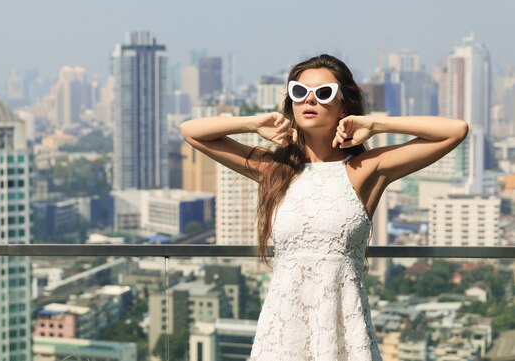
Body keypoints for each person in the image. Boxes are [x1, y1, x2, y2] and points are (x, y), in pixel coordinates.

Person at [180, 54, 468, 360]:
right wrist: (252, 123)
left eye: (324, 92)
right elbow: (191, 131)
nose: (310, 100)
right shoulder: (273, 168)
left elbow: (455, 130)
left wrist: (375, 124)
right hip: (282, 332)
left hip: (344, 330)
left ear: (344, 105)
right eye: (299, 92)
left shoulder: (367, 169)